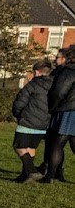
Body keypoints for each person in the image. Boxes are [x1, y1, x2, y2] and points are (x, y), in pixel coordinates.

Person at [10, 59, 53, 182]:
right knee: (30, 148)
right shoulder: (54, 85)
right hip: (44, 123)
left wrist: (18, 115)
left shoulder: (32, 85)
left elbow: (20, 102)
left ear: (36, 72)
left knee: (19, 146)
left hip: (28, 120)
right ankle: (25, 175)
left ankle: (32, 170)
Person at [40, 46, 75, 184]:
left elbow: (59, 92)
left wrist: (53, 107)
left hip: (67, 111)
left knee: (57, 144)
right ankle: (56, 174)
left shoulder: (68, 72)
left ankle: (50, 176)